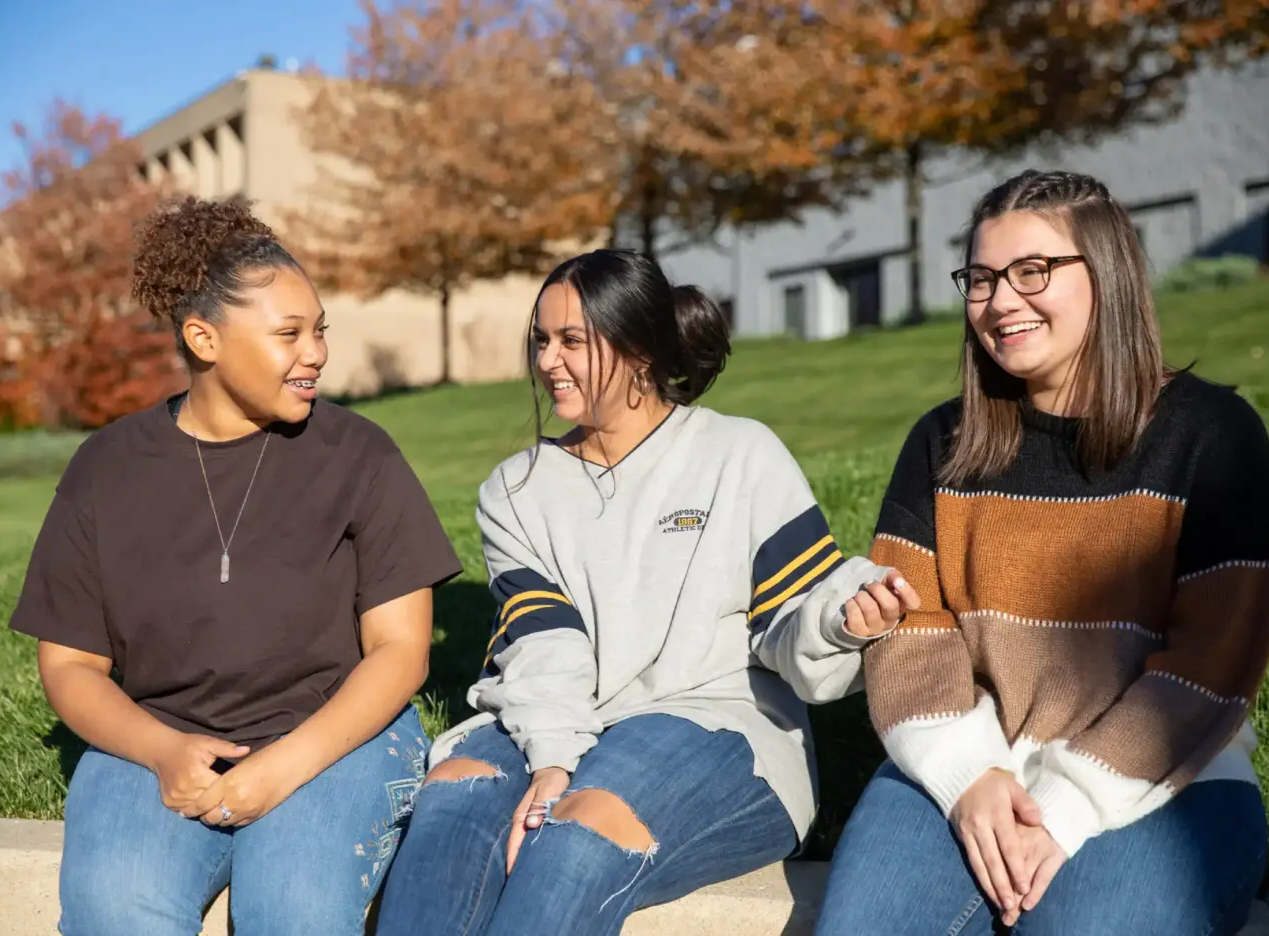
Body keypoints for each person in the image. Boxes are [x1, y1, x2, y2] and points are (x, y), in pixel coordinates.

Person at [372, 248, 921, 936]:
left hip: (717, 722)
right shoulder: (514, 490)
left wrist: (843, 621)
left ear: (638, 351)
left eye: (573, 340)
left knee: (578, 836)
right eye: (541, 339)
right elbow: (545, 648)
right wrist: (552, 759)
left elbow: (796, 614)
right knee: (453, 802)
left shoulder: (739, 454)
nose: (547, 360)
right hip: (555, 714)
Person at [813, 169, 1269, 935]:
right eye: (982, 278)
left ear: (1108, 272)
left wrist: (1065, 811)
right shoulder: (941, 444)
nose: (1000, 302)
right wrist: (968, 775)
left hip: (1168, 784)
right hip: (965, 769)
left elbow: (1212, 662)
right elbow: (913, 630)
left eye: (1033, 271)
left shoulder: (1211, 435)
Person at [7, 195, 463, 936]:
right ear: (204, 339)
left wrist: (279, 770)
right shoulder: (106, 470)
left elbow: (401, 652)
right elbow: (70, 665)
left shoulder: (360, 455)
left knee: (292, 915)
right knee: (112, 912)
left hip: (339, 736)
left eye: (319, 331)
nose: (314, 352)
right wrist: (161, 752)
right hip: (158, 737)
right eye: (288, 334)